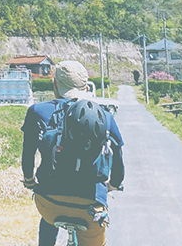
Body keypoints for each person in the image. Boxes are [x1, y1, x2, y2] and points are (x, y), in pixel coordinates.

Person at [21, 60, 124, 246]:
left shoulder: (37, 111)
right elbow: (118, 162)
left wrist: (29, 180)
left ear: (54, 84)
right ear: (85, 87)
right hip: (91, 206)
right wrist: (113, 185)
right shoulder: (105, 116)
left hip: (49, 202)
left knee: (48, 216)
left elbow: (27, 154)